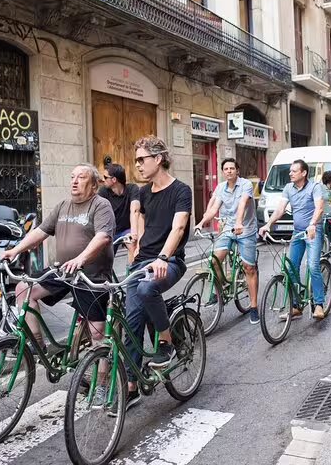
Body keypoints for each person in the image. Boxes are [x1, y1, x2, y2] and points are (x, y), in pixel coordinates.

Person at [1, 163, 115, 351]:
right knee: (23, 289)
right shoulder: (63, 206)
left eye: (81, 177)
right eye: (72, 177)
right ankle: (37, 344)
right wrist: (15, 250)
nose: (75, 182)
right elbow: (40, 231)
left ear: (94, 185)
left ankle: (101, 378)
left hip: (90, 277)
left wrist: (81, 259)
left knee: (97, 332)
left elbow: (103, 237)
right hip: (64, 271)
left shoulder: (101, 205)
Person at [124, 135, 192, 409]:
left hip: (170, 260)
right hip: (142, 262)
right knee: (130, 324)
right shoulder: (142, 193)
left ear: (159, 158)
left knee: (147, 288)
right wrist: (133, 245)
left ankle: (166, 342)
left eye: (142, 160)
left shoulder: (181, 191)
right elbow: (138, 224)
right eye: (136, 161)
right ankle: (131, 387)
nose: (137, 165)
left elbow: (178, 227)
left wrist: (164, 256)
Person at [195, 158, 260, 324]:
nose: (229, 171)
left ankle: (253, 307)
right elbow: (214, 208)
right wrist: (202, 223)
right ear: (223, 172)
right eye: (226, 169)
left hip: (245, 229)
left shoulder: (245, 185)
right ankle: (221, 289)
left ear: (237, 171)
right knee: (214, 260)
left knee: (249, 268)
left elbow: (243, 204)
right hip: (228, 228)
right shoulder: (221, 187)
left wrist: (239, 222)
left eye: (232, 168)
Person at [259, 159, 326, 320]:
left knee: (312, 266)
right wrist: (268, 224)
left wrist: (312, 224)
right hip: (297, 232)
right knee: (291, 269)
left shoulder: (314, 187)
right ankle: (296, 305)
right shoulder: (288, 188)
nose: (290, 173)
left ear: (303, 173)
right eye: (290, 171)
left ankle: (318, 304)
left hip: (313, 231)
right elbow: (280, 209)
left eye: (294, 171)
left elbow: (320, 208)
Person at [99, 163, 140, 256]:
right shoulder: (103, 192)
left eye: (105, 177)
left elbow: (135, 210)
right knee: (103, 257)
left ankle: (131, 270)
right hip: (110, 232)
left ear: (114, 180)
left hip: (126, 230)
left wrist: (134, 232)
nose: (103, 179)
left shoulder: (132, 189)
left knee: (132, 245)